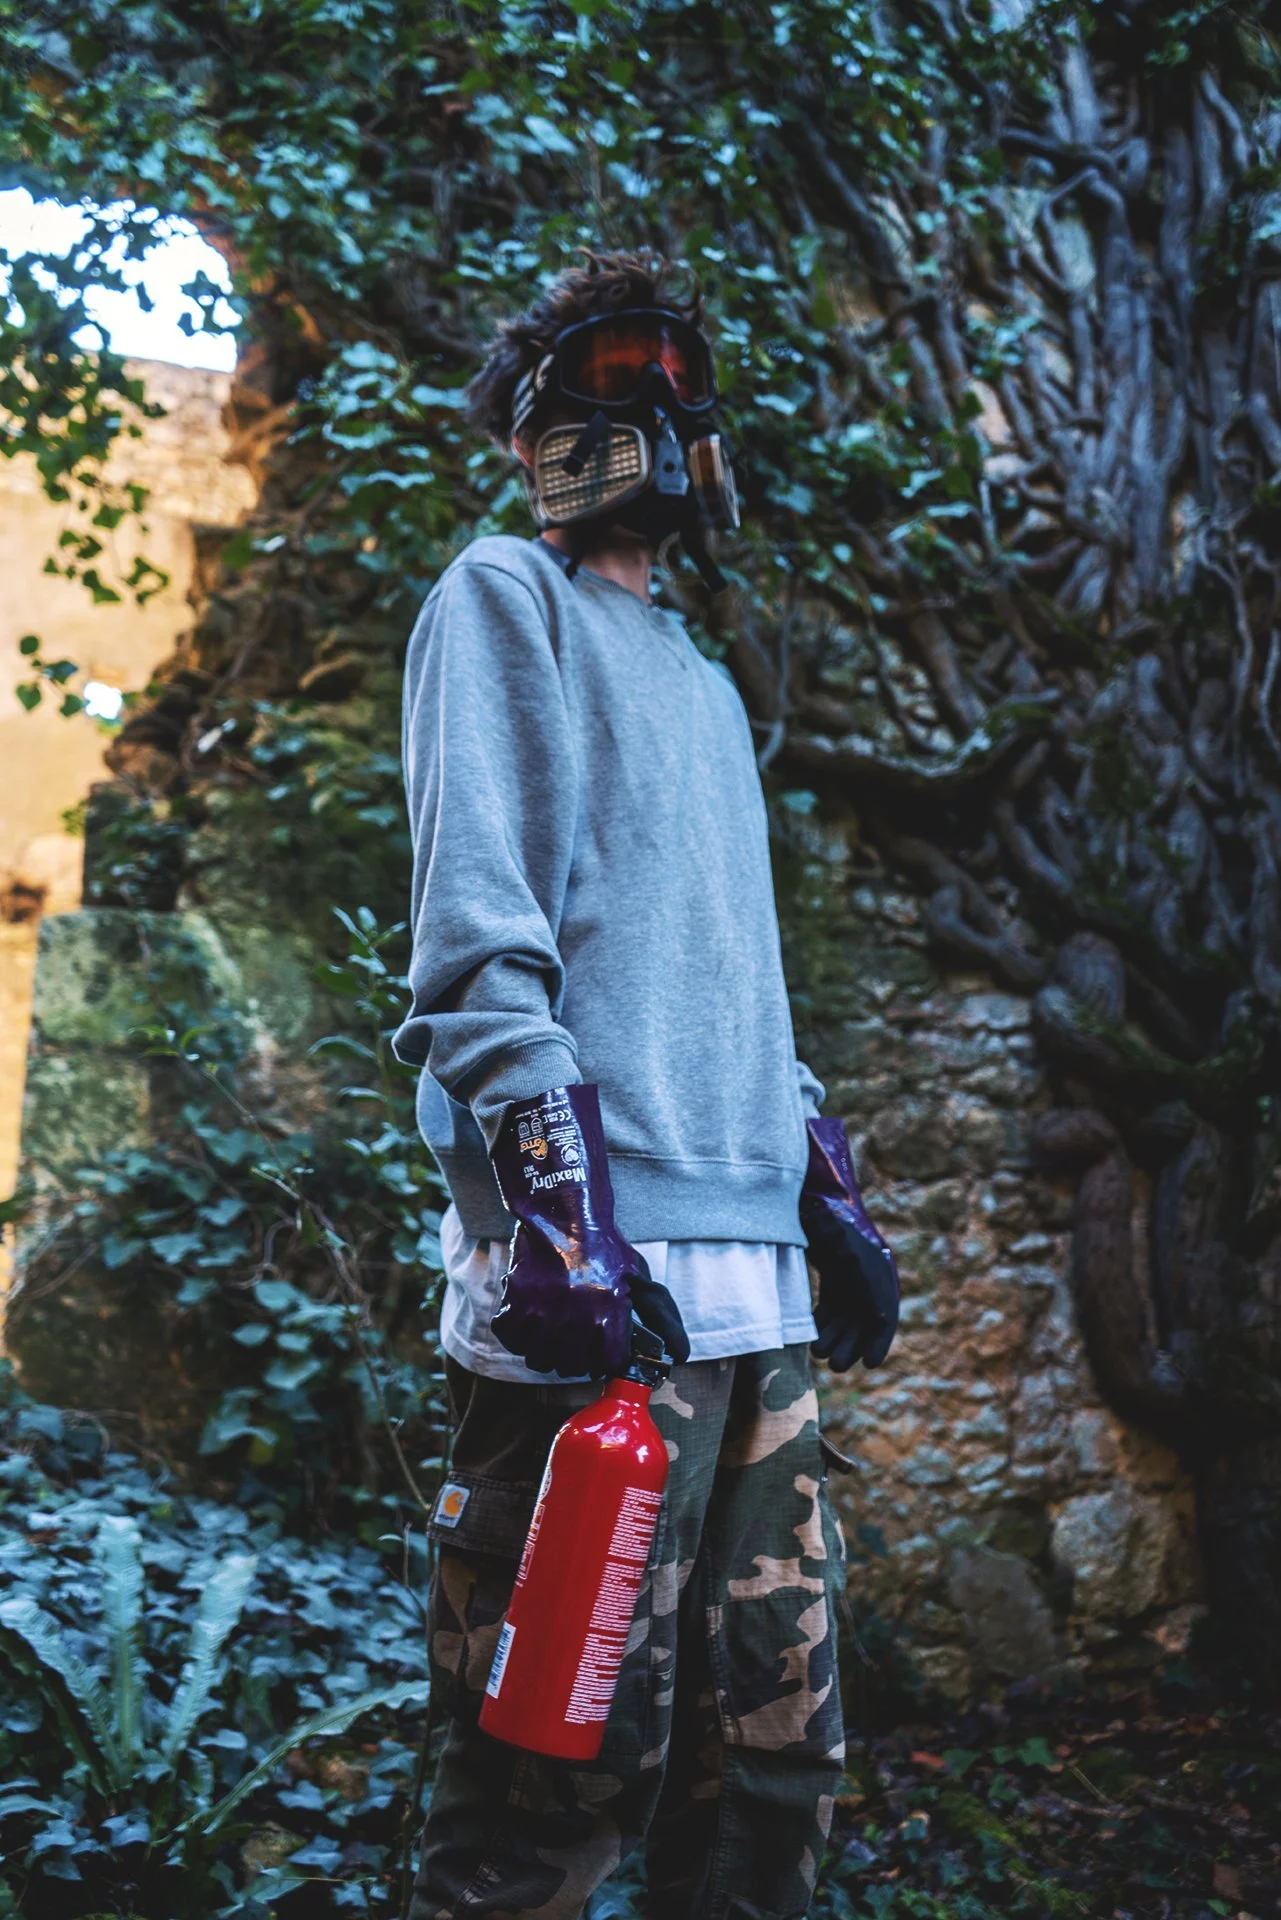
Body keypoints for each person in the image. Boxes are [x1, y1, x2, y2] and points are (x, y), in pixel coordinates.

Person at [393, 250, 901, 1920]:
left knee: (769, 1779)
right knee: (550, 1779)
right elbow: (479, 941)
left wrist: (817, 1178)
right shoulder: (504, 599)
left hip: (756, 1310)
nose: (665, 408)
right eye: (624, 371)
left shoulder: (705, 682)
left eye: (682, 375)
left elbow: (728, 972)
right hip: (597, 1294)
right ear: (539, 426)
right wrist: (558, 1213)